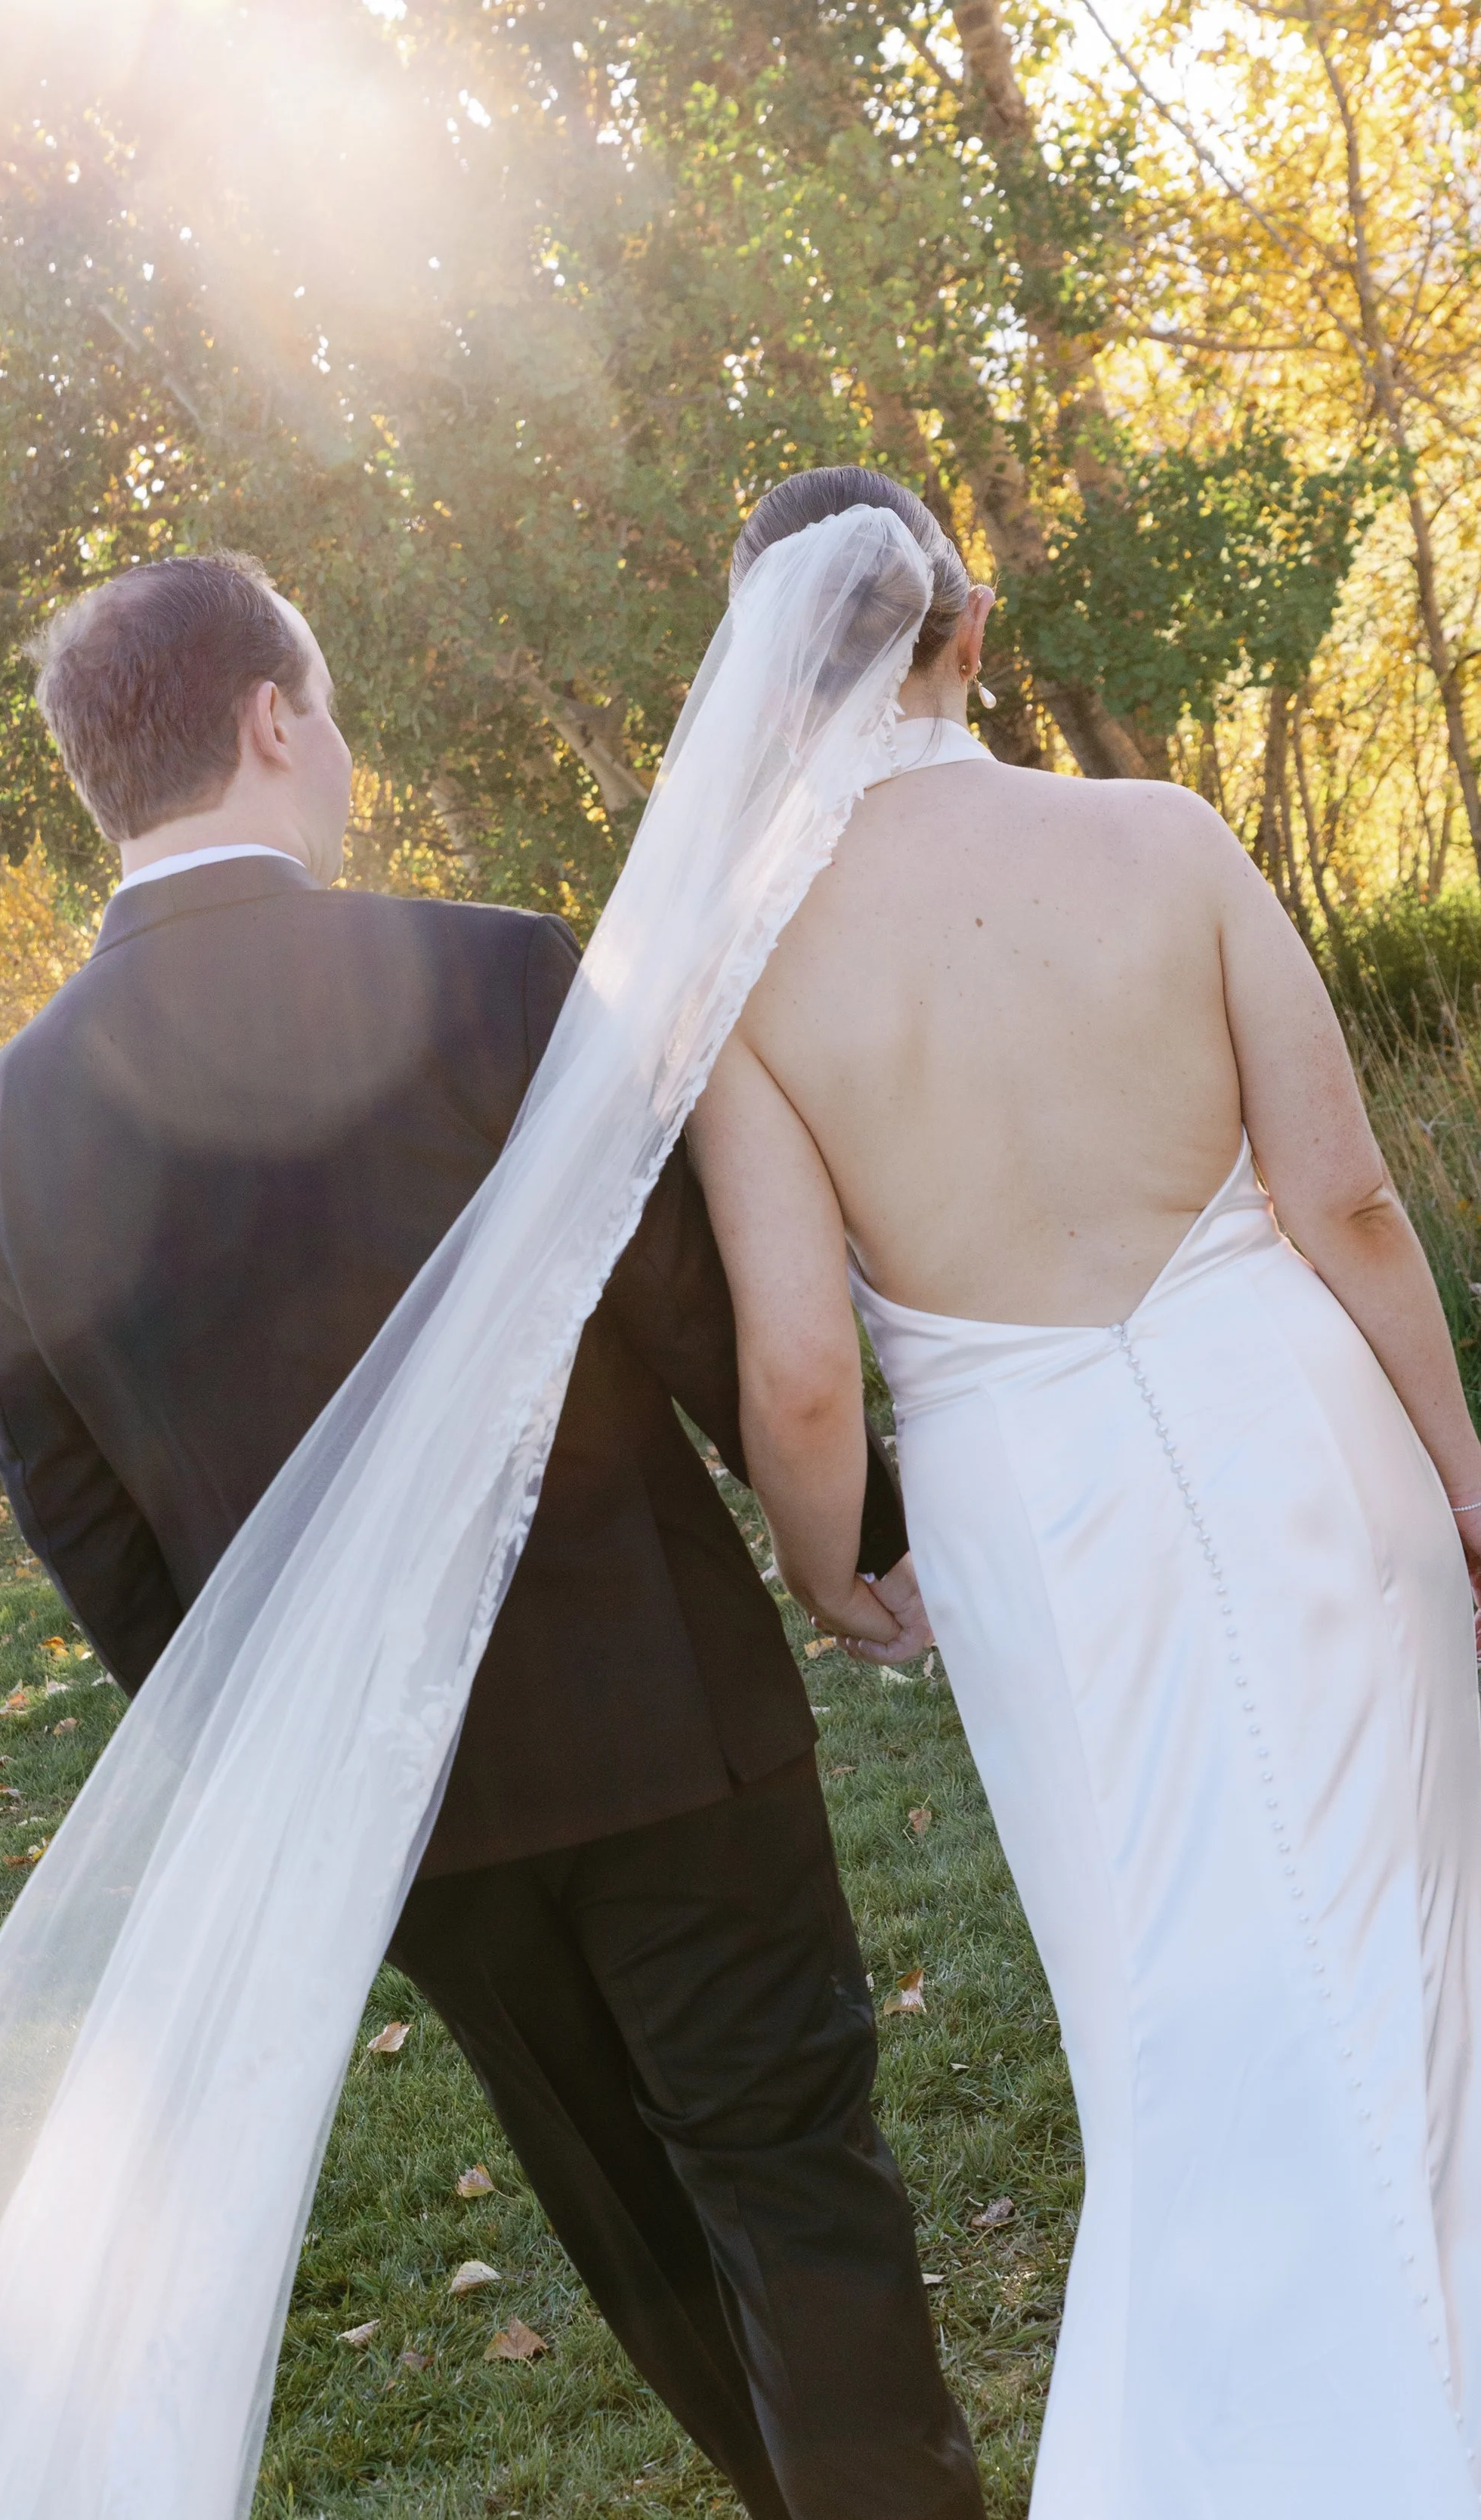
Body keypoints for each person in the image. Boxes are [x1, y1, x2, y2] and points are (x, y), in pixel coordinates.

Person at [0, 553, 983, 2520]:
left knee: (631, 2215)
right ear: (268, 719)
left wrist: (293, 1756)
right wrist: (868, 1536)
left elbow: (88, 1531)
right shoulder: (489, 973)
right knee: (789, 2173)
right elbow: (686, 1308)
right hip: (662, 1723)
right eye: (324, 711)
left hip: (382, 1805)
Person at [688, 466, 1481, 2516]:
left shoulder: (748, 975)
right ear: (967, 632)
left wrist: (828, 1570)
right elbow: (1350, 1202)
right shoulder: (1157, 838)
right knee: (1408, 1951)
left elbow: (794, 1363)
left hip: (1027, 1520)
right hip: (1297, 1433)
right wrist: (1463, 1470)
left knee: (1160, 1996)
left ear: (769, 695)